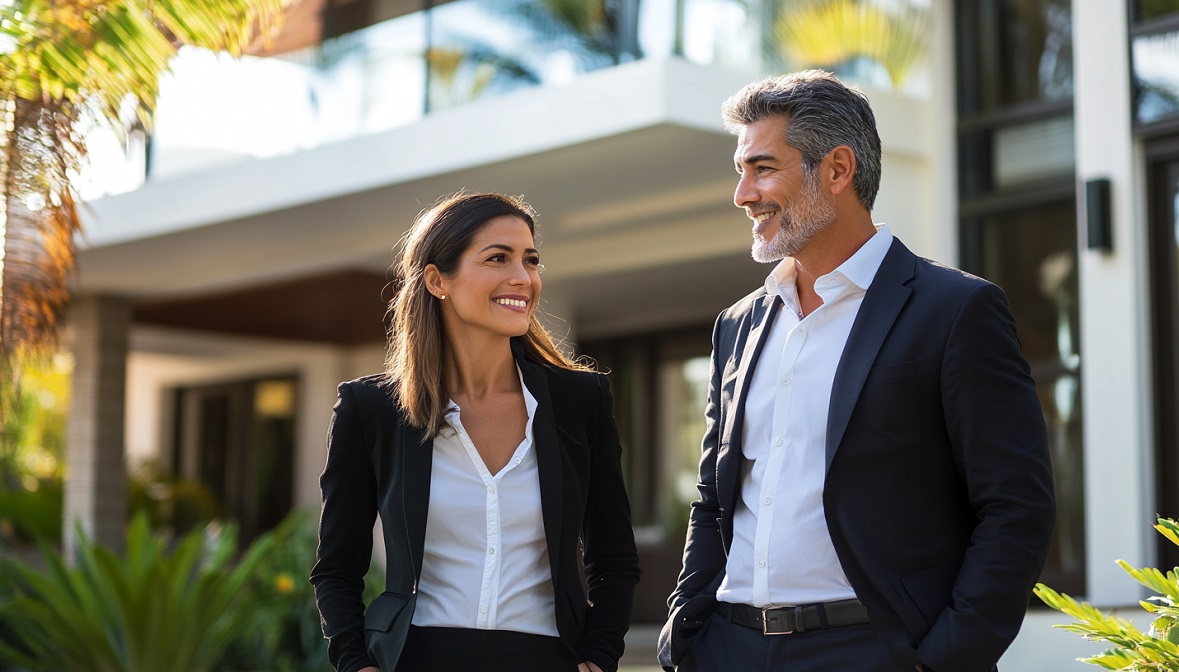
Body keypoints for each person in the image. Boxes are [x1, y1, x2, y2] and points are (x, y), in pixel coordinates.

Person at [657, 71, 1056, 672]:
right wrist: (685, 633)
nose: (742, 194)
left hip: (872, 651)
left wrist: (945, 659)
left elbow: (1016, 507)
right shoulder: (736, 325)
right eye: (741, 170)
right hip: (728, 648)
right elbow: (715, 498)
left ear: (837, 170)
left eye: (762, 168)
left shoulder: (955, 311)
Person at [311, 191, 641, 672]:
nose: (523, 277)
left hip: (547, 657)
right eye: (498, 258)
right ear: (437, 280)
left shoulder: (579, 401)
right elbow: (337, 566)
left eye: (531, 260)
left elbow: (613, 555)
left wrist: (600, 654)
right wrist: (354, 662)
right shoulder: (373, 409)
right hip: (417, 657)